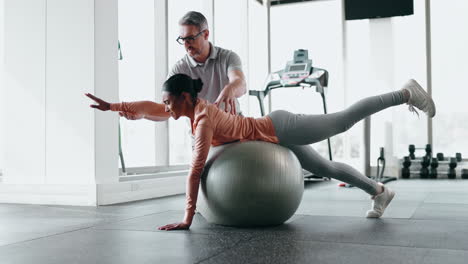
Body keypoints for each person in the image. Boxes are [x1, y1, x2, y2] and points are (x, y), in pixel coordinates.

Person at [86, 73, 436, 231]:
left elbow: (195, 171)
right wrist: (114, 106)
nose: (166, 108)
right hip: (272, 139)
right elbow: (151, 107)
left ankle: (404, 94)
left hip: (279, 128)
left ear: (184, 97)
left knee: (341, 121)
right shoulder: (187, 109)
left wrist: (188, 218)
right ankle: (380, 192)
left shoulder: (203, 120)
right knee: (326, 167)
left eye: (169, 102)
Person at [119, 11, 246, 122]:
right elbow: (167, 109)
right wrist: (143, 114)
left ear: (206, 34)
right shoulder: (179, 69)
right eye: (182, 39)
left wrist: (231, 88)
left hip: (233, 129)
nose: (186, 45)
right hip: (202, 133)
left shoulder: (228, 57)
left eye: (190, 38)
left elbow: (240, 84)